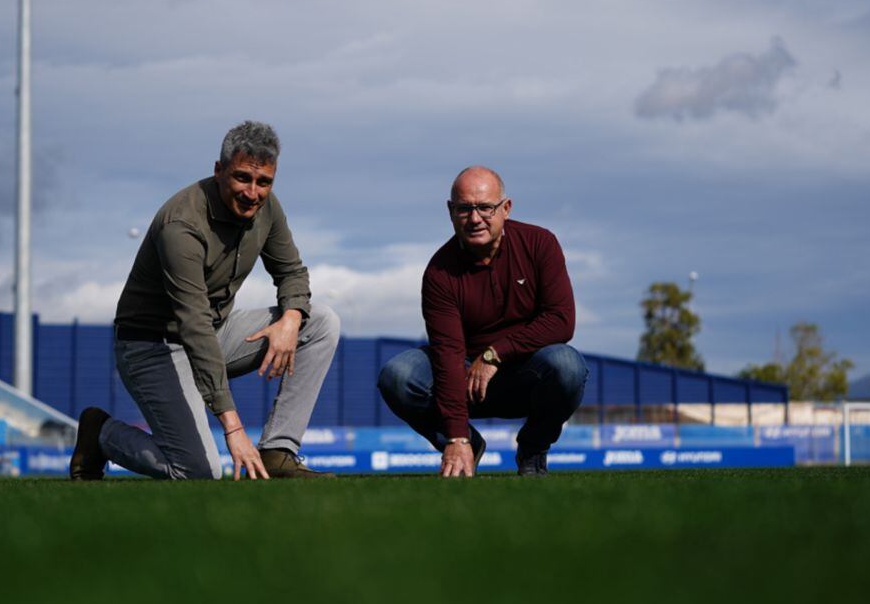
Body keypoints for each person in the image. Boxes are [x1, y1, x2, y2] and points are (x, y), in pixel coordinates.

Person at [70, 121, 340, 481]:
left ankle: (278, 452)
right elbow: (193, 325)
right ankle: (100, 433)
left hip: (215, 331)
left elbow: (291, 272)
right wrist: (233, 428)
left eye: (264, 182)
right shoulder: (181, 225)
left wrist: (291, 319)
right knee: (199, 471)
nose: (253, 193)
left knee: (320, 321)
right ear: (218, 171)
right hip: (151, 346)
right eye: (242, 178)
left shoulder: (267, 207)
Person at [378, 166, 587, 477]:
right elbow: (447, 354)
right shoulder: (439, 273)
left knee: (567, 366)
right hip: (465, 379)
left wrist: (495, 353)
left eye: (485, 208)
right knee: (398, 375)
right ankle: (468, 447)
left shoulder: (540, 244)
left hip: (525, 373)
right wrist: (456, 434)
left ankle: (532, 449)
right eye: (464, 209)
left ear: (506, 208)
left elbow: (561, 321)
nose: (475, 219)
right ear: (451, 212)